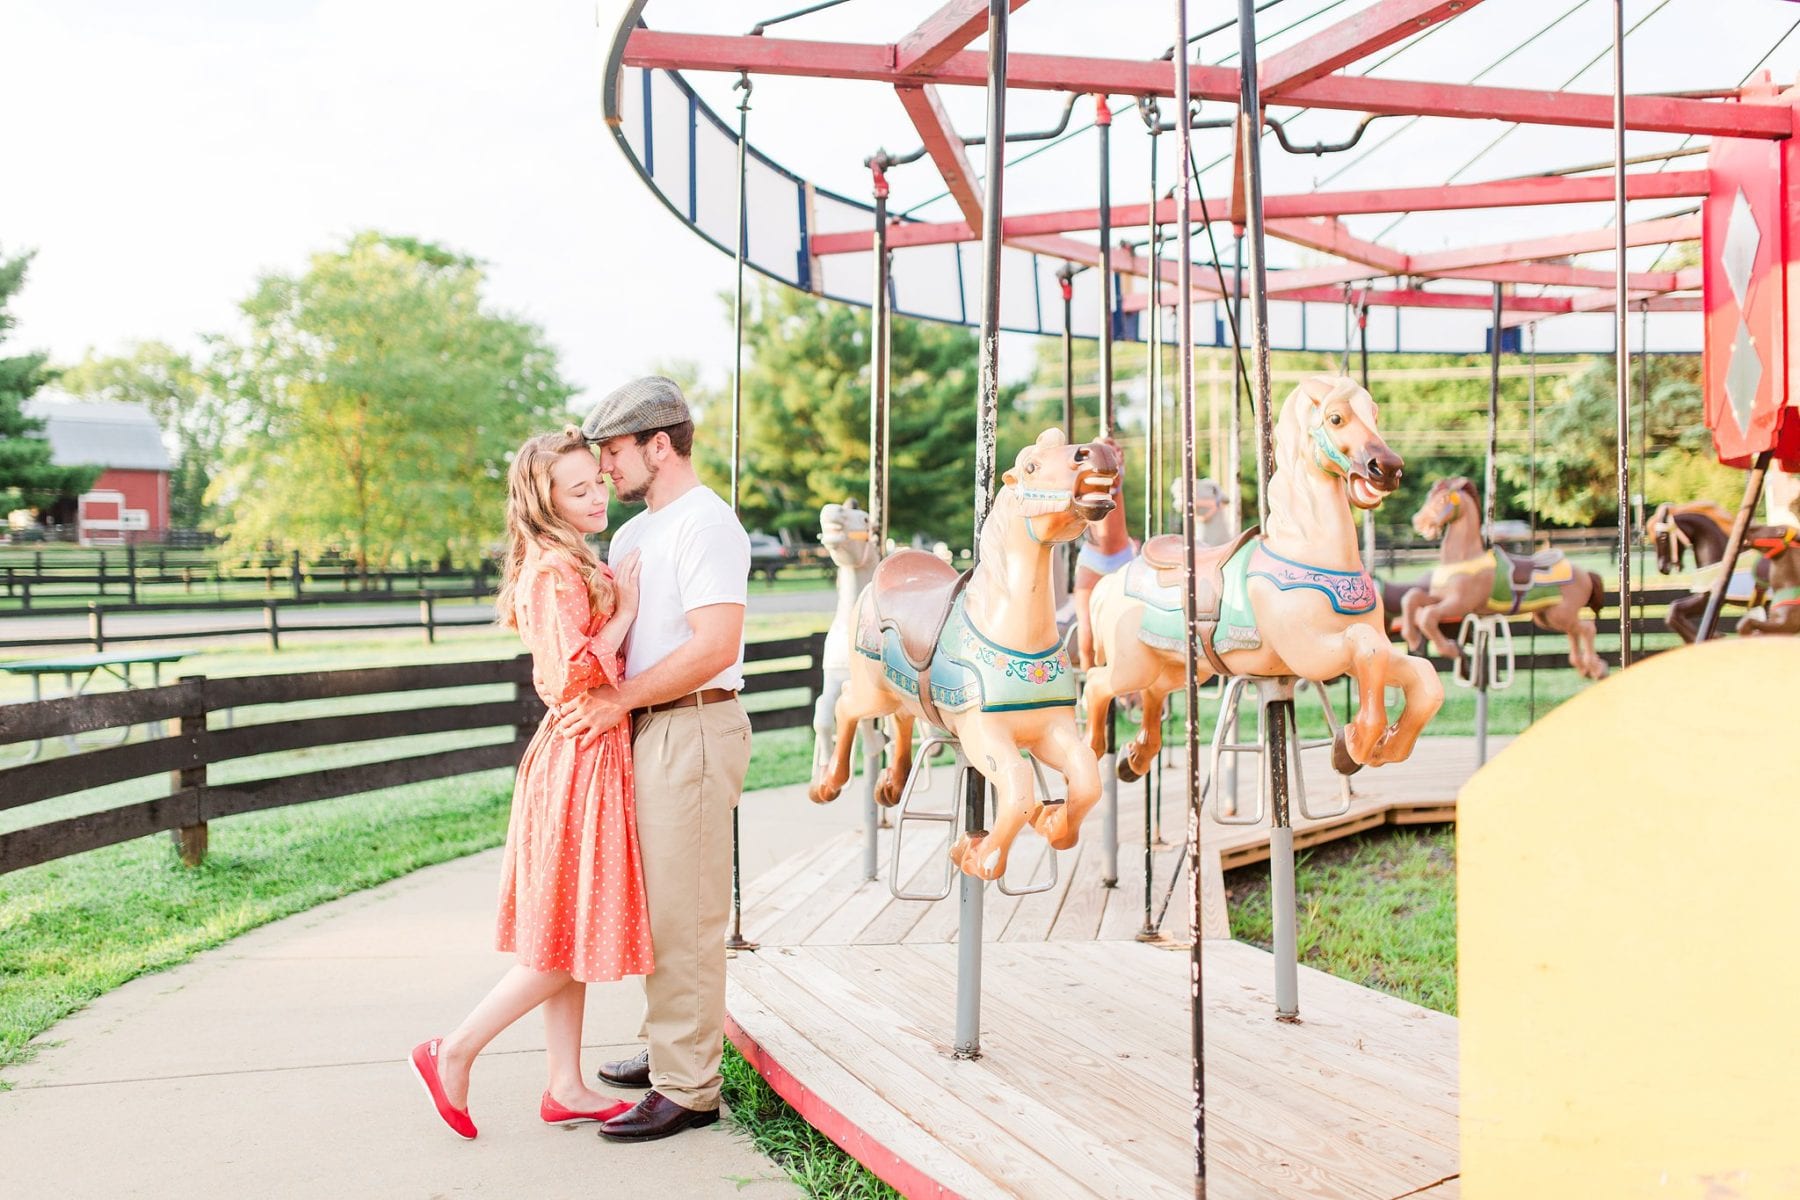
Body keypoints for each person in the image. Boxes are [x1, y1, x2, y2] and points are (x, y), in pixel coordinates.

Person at [410, 427, 652, 1141]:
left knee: (568, 930)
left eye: (597, 483)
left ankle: (565, 1085)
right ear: (543, 502)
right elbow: (565, 675)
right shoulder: (551, 569)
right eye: (577, 490)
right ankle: (452, 1050)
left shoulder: (571, 557)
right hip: (579, 755)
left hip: (594, 751)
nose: (596, 496)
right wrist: (629, 613)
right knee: (567, 941)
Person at [557, 376, 753, 1143]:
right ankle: (671, 1043)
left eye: (614, 451)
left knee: (688, 913)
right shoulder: (636, 535)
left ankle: (689, 1086)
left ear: (659, 445)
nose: (605, 467)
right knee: (657, 903)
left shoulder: (707, 526)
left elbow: (715, 647)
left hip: (695, 726)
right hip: (649, 727)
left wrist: (618, 700)